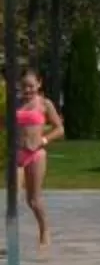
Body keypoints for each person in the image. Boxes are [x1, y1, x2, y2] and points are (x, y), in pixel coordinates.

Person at [12, 67, 64, 251]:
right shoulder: (15, 103)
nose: (27, 90)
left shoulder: (44, 104)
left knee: (33, 200)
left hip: (36, 154)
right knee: (13, 197)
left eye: (31, 86)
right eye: (24, 86)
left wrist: (43, 140)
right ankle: (12, 237)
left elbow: (59, 129)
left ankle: (44, 230)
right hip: (17, 154)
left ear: (39, 84)